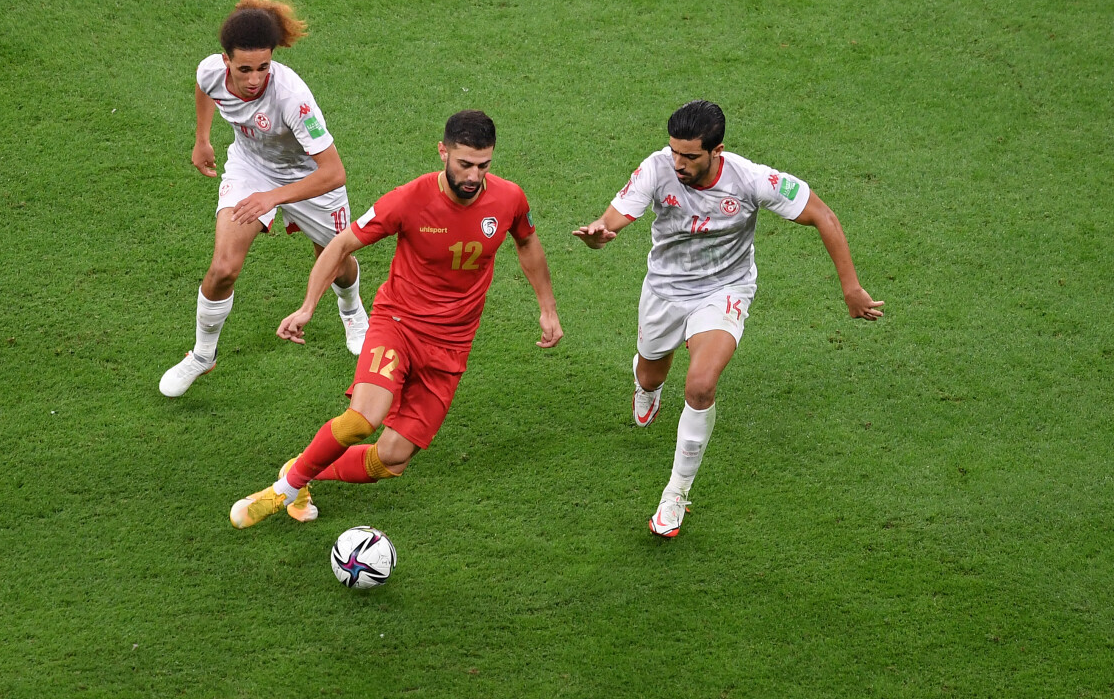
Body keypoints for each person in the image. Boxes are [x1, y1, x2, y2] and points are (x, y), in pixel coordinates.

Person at [229, 110, 563, 529]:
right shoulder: (409, 199)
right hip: (399, 325)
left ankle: (299, 470)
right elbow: (340, 245)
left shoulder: (510, 199)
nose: (474, 177)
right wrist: (308, 306)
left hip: (452, 345)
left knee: (392, 459)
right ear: (443, 152)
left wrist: (547, 308)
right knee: (361, 420)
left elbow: (527, 243)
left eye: (483, 166)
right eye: (465, 164)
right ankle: (283, 491)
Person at [573, 100, 883, 538]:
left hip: (724, 291)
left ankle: (676, 493)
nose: (678, 164)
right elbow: (613, 220)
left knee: (700, 385)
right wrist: (599, 235)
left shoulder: (752, 179)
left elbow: (822, 215)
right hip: (664, 291)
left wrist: (851, 287)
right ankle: (648, 386)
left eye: (689, 156)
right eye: (674, 152)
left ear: (716, 150)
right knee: (649, 373)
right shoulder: (656, 168)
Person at [159, 0, 369, 398]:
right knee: (223, 268)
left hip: (310, 179)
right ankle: (202, 355)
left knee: (336, 261)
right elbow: (204, 88)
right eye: (244, 69)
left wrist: (274, 198)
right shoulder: (210, 71)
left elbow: (334, 172)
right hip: (251, 169)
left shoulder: (292, 98)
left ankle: (352, 310)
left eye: (263, 67)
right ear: (226, 62)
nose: (255, 78)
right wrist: (202, 139)